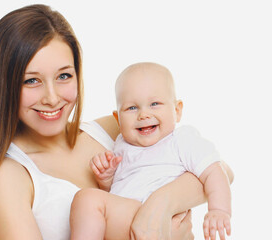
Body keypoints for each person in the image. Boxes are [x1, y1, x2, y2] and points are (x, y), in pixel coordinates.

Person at [0, 5, 234, 240]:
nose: (52, 97)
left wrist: (160, 206)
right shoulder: (7, 178)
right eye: (32, 80)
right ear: (2, 85)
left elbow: (219, 169)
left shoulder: (114, 130)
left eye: (64, 76)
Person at [70, 62, 232, 240]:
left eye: (154, 104)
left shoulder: (182, 140)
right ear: (118, 118)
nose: (144, 115)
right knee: (89, 200)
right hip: (132, 221)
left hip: (156, 222)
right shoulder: (121, 145)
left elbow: (215, 171)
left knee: (87, 200)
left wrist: (219, 210)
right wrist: (107, 178)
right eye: (132, 108)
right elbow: (120, 187)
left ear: (177, 111)